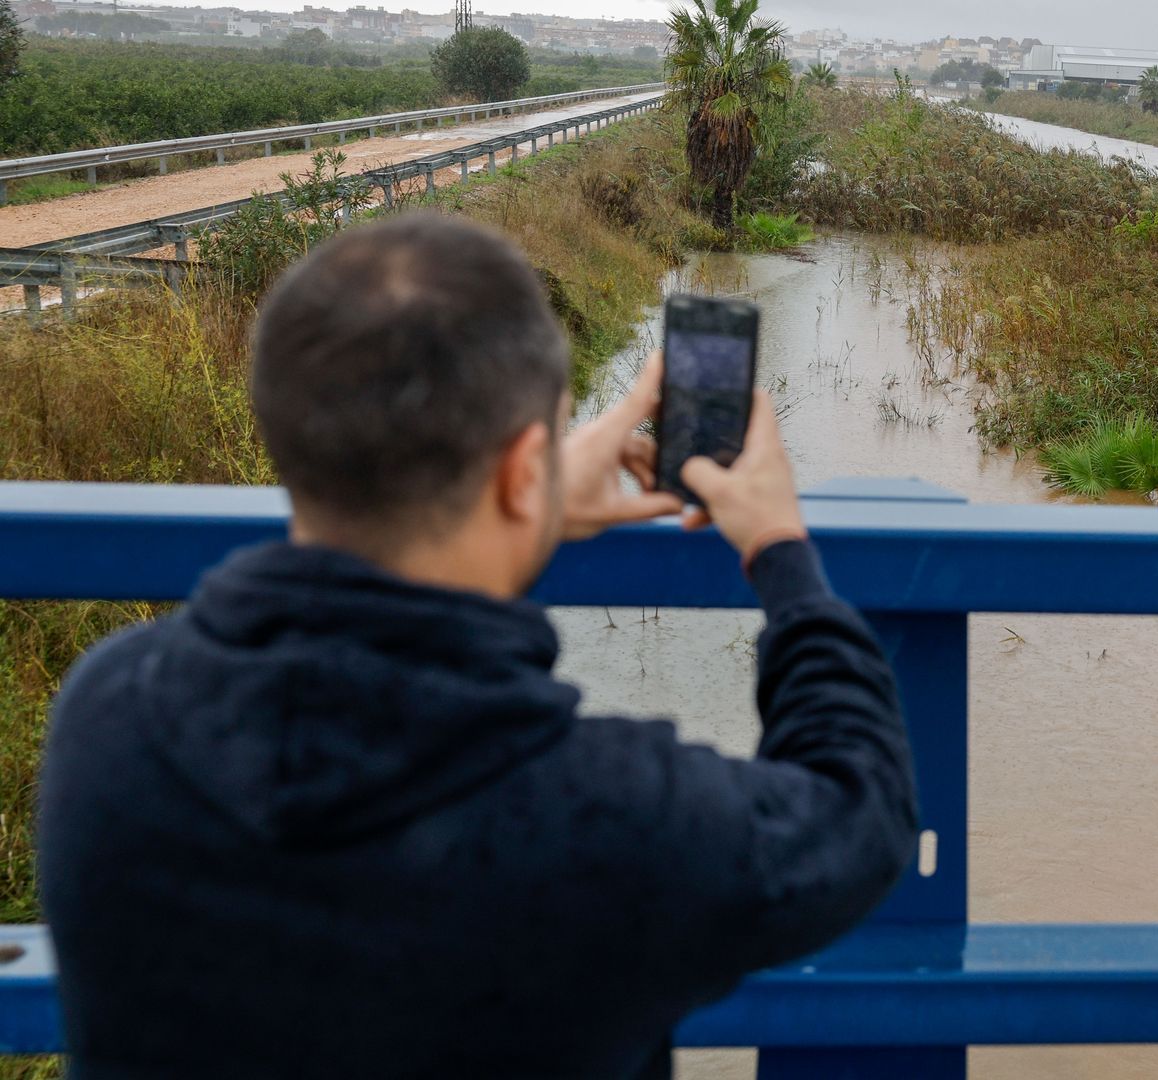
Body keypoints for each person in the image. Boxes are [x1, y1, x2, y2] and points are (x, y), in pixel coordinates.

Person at [36, 214, 919, 1079]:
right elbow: (859, 813)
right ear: (518, 468)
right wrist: (780, 551)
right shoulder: (613, 821)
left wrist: (521, 507)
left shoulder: (107, 720)